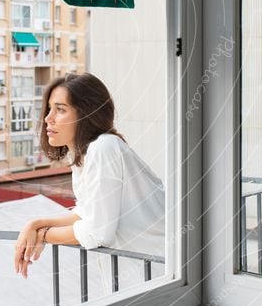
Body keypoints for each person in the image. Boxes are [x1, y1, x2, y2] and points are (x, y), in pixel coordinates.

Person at [14, 72, 165, 278]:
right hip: (142, 275)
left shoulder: (104, 147)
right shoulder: (84, 156)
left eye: (60, 109)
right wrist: (36, 225)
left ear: (86, 114)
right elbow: (87, 213)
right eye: (50, 109)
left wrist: (44, 235)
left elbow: (97, 233)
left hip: (161, 273)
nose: (48, 118)